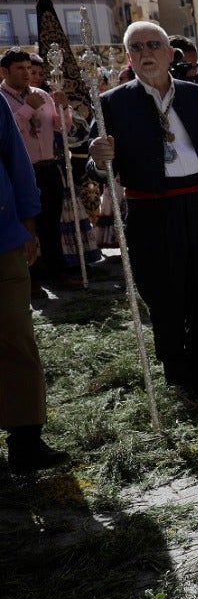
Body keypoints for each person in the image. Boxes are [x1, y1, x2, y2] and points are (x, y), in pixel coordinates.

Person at [86, 23, 198, 401]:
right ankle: (177, 374)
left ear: (172, 53)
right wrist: (96, 157)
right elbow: (97, 165)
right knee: (163, 295)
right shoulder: (113, 103)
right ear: (128, 57)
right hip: (148, 210)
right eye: (136, 47)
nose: (146, 52)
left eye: (154, 45)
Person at [1, 105, 69, 472]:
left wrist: (28, 223)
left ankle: (26, 440)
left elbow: (16, 159)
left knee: (15, 337)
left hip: (2, 241)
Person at [2, 47, 67, 296]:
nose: (27, 74)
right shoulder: (2, 99)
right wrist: (28, 108)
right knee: (25, 227)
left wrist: (64, 108)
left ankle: (58, 274)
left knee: (52, 224)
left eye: (29, 68)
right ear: (4, 71)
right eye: (20, 69)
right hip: (20, 172)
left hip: (49, 167)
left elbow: (60, 126)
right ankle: (31, 279)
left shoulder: (42, 94)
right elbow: (8, 134)